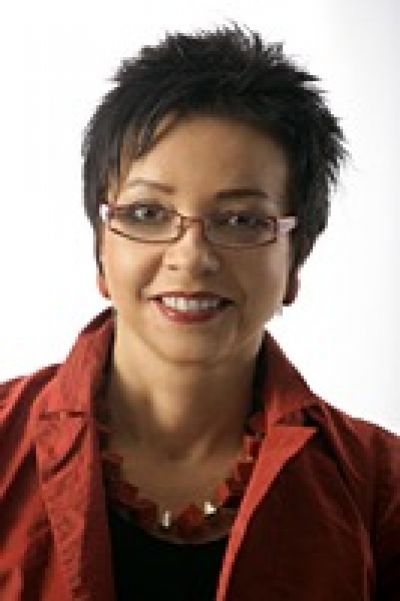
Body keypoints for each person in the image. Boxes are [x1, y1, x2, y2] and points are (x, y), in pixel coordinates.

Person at [0, 24, 399, 601]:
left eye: (241, 220)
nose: (191, 258)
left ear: (296, 258)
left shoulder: (381, 489)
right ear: (100, 247)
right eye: (147, 213)